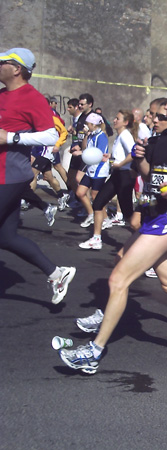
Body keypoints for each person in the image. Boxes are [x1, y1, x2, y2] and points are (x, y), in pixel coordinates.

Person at [59, 78, 167, 374]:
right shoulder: (163, 139)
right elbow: (151, 175)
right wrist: (140, 161)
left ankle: (94, 352)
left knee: (118, 279)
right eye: (164, 103)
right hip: (153, 214)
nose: (165, 107)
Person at [0, 47, 76, 304]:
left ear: (17, 68)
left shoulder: (32, 98)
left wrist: (11, 137)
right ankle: (57, 274)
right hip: (4, 174)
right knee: (7, 237)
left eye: (3, 62)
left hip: (9, 174)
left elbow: (50, 135)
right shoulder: (2, 95)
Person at [79, 110, 137, 250]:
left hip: (124, 177)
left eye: (117, 118)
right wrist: (110, 157)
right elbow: (121, 154)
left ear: (125, 122)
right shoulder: (119, 136)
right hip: (116, 175)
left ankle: (145, 243)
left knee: (129, 216)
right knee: (98, 203)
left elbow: (133, 153)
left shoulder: (125, 135)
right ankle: (96, 239)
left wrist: (120, 164)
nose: (114, 120)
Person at [77, 113, 110, 228]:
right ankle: (91, 214)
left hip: (99, 169)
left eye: (87, 124)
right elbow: (85, 147)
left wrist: (81, 153)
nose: (86, 126)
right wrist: (86, 135)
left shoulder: (101, 137)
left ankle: (106, 219)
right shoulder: (91, 135)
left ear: (92, 124)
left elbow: (97, 154)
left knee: (96, 197)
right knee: (80, 192)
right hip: (90, 168)